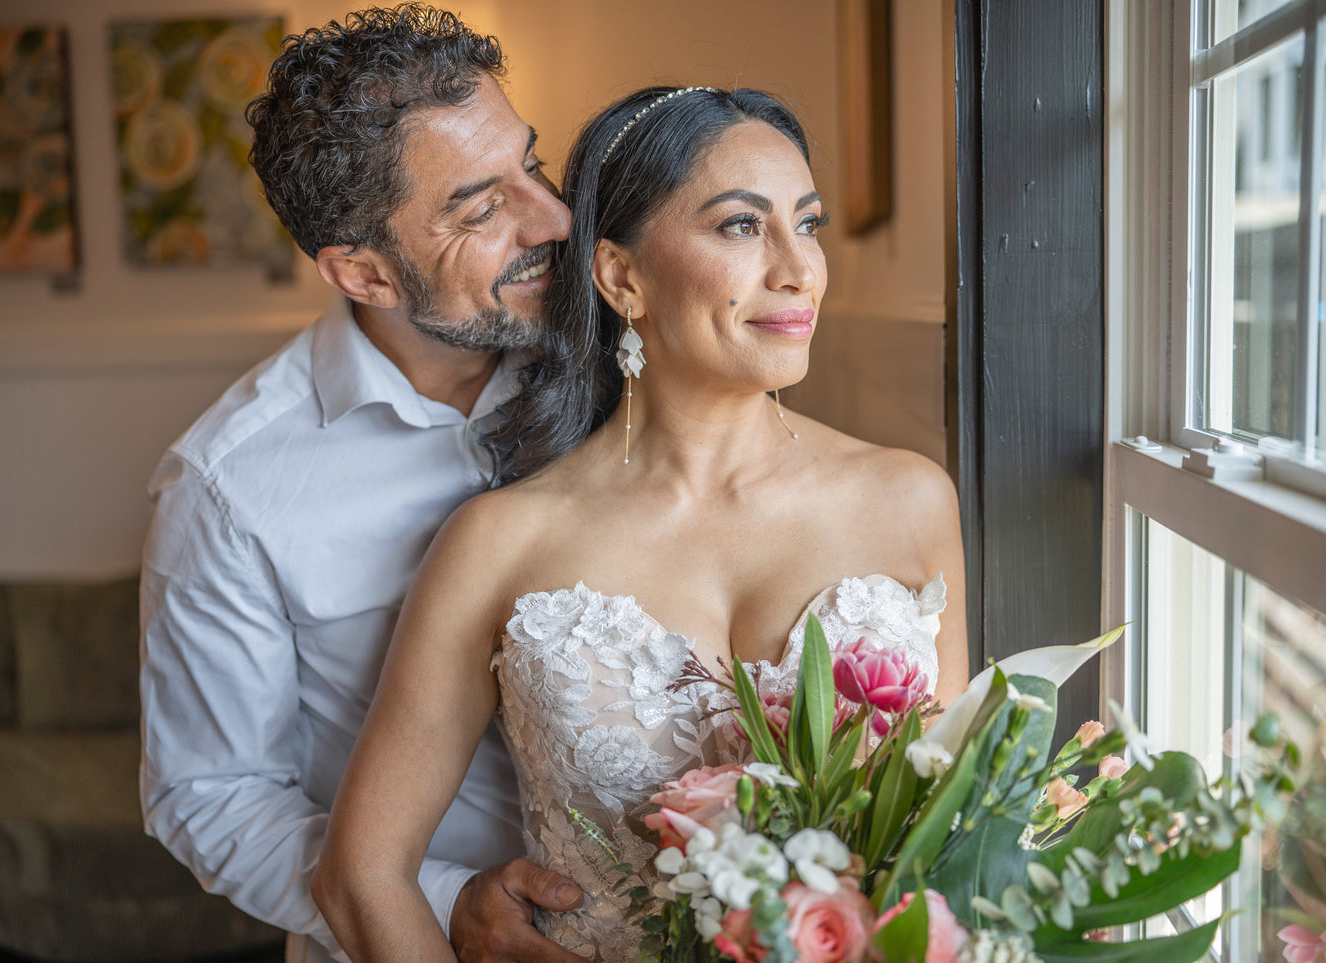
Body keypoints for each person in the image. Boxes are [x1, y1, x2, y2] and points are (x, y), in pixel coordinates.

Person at [312, 86, 970, 961]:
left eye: (806, 224)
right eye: (742, 226)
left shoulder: (909, 499)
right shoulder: (501, 541)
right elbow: (361, 875)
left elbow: (953, 835)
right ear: (621, 276)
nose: (798, 268)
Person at [137, 6, 592, 962]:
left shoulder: (617, 376)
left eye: (532, 163)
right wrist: (440, 899)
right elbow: (208, 796)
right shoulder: (228, 487)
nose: (553, 218)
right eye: (480, 207)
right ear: (364, 273)